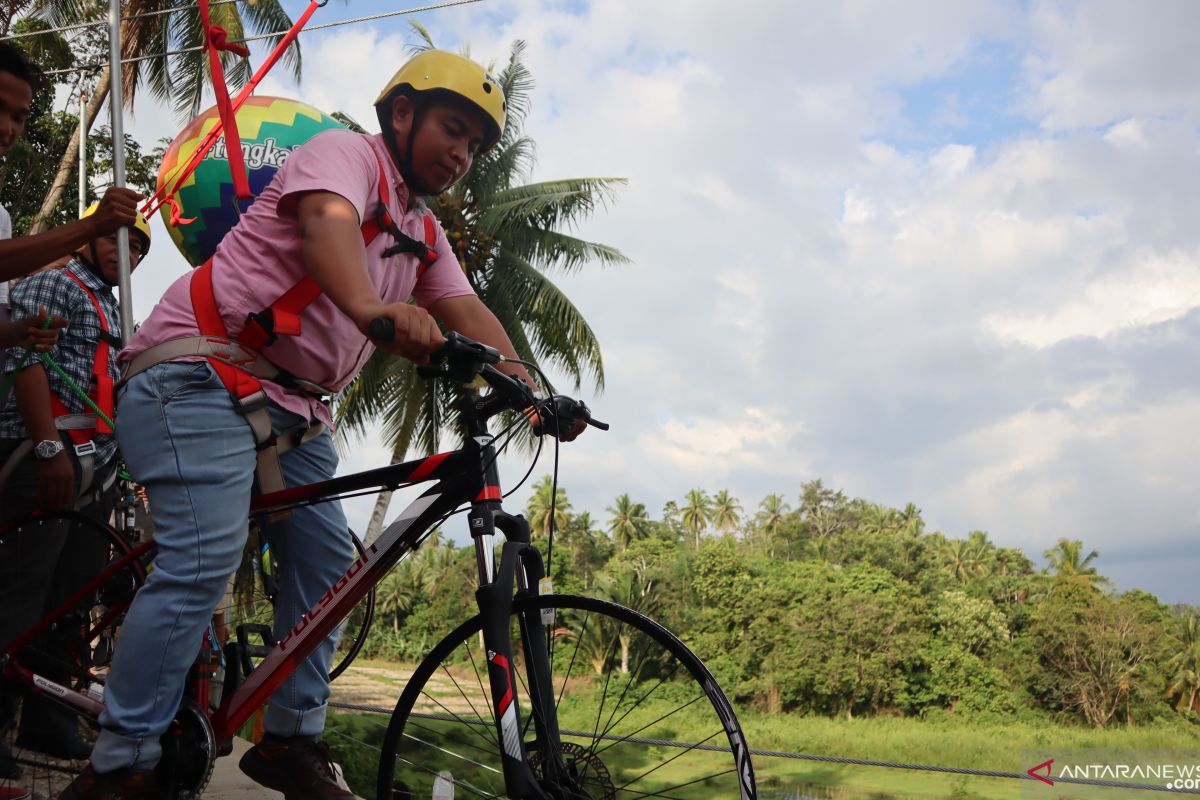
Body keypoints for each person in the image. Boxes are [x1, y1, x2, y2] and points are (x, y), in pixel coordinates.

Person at [59, 50, 578, 800]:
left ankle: (290, 741)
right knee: (202, 563)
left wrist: (531, 385)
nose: (462, 154)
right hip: (199, 371)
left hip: (295, 412)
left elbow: (464, 309)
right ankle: (119, 764)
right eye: (453, 130)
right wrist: (372, 310)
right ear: (402, 114)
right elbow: (326, 224)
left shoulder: (421, 231)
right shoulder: (342, 155)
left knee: (332, 568)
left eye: (475, 146)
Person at [0, 39, 141, 800]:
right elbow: (23, 362)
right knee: (18, 594)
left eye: (19, 115)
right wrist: (48, 442)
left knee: (69, 592)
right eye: (114, 242)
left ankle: (48, 716)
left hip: (93, 467)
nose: (123, 257)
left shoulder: (103, 303)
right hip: (41, 456)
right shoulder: (52, 278)